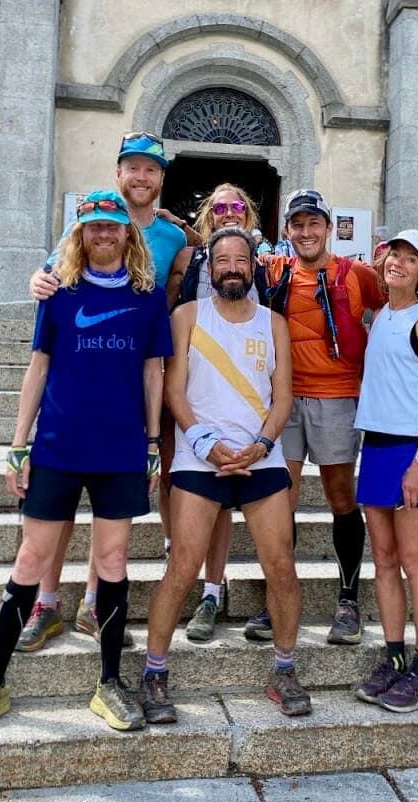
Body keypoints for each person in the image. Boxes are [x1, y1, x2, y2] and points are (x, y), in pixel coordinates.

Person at [0, 190, 172, 734]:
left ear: (127, 233)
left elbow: (153, 373)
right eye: (92, 226)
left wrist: (149, 443)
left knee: (114, 561)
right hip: (57, 446)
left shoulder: (148, 298)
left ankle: (110, 683)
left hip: (121, 450)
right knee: (31, 560)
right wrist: (17, 443)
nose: (103, 233)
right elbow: (39, 367)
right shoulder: (59, 293)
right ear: (80, 233)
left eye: (112, 226)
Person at [248, 189, 418, 646]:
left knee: (341, 496)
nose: (306, 232)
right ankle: (277, 599)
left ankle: (348, 600)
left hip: (337, 398)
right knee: (281, 500)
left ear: (327, 227)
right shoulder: (275, 271)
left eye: (314, 223)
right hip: (284, 400)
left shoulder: (356, 274)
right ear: (286, 231)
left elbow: (405, 296)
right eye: (297, 225)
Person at [20, 132, 191, 651]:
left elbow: (177, 292)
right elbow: (52, 272)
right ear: (118, 174)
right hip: (73, 373)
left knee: (110, 511)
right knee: (58, 506)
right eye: (132, 168)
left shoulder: (174, 238)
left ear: (162, 180)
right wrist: (35, 280)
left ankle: (94, 603)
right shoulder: (90, 222)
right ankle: (46, 603)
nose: (141, 178)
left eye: (152, 170)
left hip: (132, 377)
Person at [140, 226, 311, 722]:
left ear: (253, 266)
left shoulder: (273, 323)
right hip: (201, 457)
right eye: (222, 260)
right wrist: (205, 444)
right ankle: (154, 672)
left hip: (262, 457)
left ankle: (284, 668)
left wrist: (261, 444)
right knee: (183, 567)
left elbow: (284, 397)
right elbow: (175, 390)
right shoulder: (187, 316)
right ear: (209, 268)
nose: (232, 267)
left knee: (280, 565)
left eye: (241, 259)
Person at [164, 184, 269, 642]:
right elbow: (163, 307)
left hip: (242, 402)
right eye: (220, 207)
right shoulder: (187, 258)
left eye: (237, 207)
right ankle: (177, 553)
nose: (229, 213)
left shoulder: (266, 263)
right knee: (177, 478)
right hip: (190, 394)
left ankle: (211, 591)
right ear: (207, 215)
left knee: (224, 500)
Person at [353, 229, 418, 713]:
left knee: (415, 562)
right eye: (395, 255)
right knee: (385, 561)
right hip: (375, 448)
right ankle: (393, 657)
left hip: (413, 452)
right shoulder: (378, 313)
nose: (400, 264)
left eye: (411, 260)